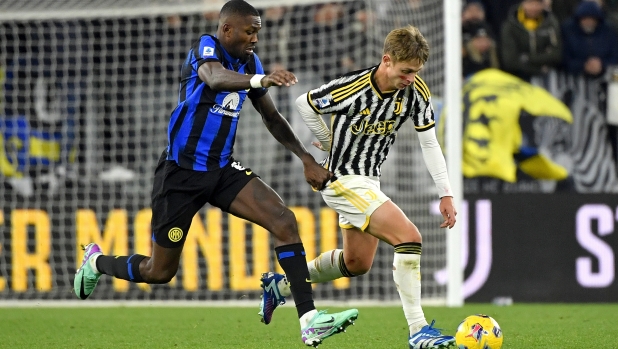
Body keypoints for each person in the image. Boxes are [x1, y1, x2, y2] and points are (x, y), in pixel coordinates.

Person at [73, 0, 358, 346]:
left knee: (284, 220)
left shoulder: (250, 62)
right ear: (227, 30)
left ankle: (309, 320)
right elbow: (214, 78)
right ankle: (97, 262)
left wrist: (304, 158)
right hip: (180, 174)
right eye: (249, 30)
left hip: (222, 169)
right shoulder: (206, 48)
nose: (255, 37)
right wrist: (260, 79)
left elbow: (271, 116)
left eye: (258, 31)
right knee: (159, 271)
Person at [258, 25, 457, 349]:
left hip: (370, 181)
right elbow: (304, 103)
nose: (409, 78)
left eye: (415, 72)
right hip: (342, 179)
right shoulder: (353, 87)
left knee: (356, 263)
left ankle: (279, 288)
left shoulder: (416, 92)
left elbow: (430, 144)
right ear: (387, 60)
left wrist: (445, 192)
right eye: (405, 71)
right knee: (409, 238)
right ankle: (418, 330)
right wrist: (326, 140)